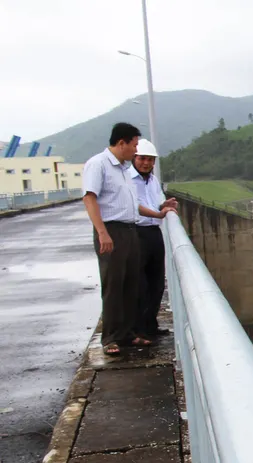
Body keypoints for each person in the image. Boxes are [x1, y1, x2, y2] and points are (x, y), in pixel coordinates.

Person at [81, 122, 167, 356]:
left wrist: (158, 213)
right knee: (114, 285)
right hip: (112, 230)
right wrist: (102, 233)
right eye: (134, 145)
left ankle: (128, 334)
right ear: (122, 143)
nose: (135, 150)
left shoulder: (122, 170)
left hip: (131, 230)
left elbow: (134, 205)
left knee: (132, 285)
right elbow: (89, 199)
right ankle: (110, 337)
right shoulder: (98, 164)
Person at [130, 139, 176, 340]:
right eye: (142, 159)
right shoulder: (128, 179)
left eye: (150, 159)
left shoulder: (153, 180)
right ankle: (139, 328)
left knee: (157, 282)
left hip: (153, 233)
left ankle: (151, 324)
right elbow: (136, 206)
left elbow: (155, 202)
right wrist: (158, 213)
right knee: (140, 284)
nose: (146, 163)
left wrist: (163, 204)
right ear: (134, 158)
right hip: (137, 233)